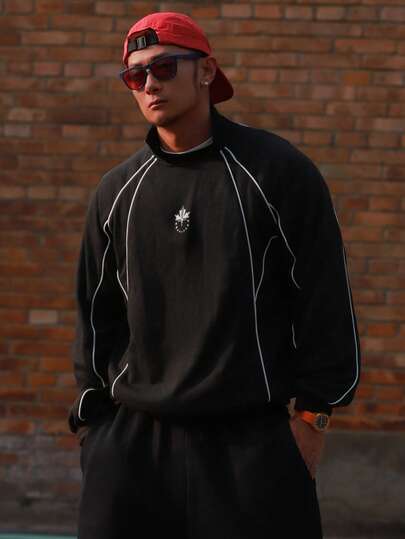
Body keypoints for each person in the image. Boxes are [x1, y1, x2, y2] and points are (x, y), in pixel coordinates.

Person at [67, 11, 361, 539]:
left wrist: (313, 418)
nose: (150, 84)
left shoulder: (277, 172)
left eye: (164, 68)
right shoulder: (116, 193)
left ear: (206, 71)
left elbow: (325, 299)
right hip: (133, 452)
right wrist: (95, 432)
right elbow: (94, 318)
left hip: (250, 451)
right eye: (135, 75)